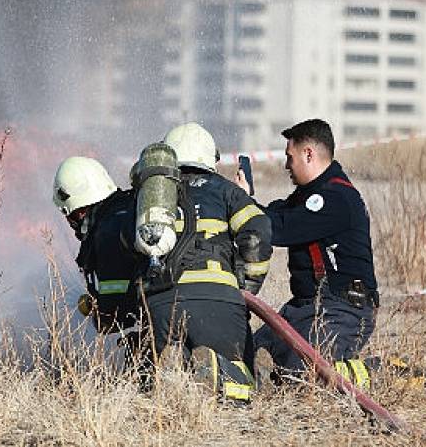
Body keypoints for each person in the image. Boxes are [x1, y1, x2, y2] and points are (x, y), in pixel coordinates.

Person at [53, 123, 271, 401]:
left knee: (154, 380)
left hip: (162, 304)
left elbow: (123, 275)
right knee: (239, 384)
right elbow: (259, 232)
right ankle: (245, 373)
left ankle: (175, 362)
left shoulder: (142, 203)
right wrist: (244, 287)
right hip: (220, 301)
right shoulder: (227, 191)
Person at [241, 119, 379, 387]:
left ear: (308, 154)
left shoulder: (335, 198)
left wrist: (243, 204)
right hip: (305, 308)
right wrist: (243, 203)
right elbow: (272, 215)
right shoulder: (307, 197)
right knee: (251, 357)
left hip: (342, 311)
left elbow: (278, 228)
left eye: (289, 157)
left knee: (299, 376)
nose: (286, 166)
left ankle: (383, 372)